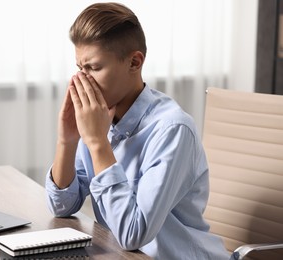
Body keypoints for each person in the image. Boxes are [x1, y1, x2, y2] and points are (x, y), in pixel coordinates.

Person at [45, 2, 230, 259]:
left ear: (134, 62)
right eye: (80, 68)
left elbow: (133, 235)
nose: (82, 80)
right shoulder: (100, 119)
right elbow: (61, 205)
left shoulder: (172, 129)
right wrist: (67, 140)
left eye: (94, 68)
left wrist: (98, 144)